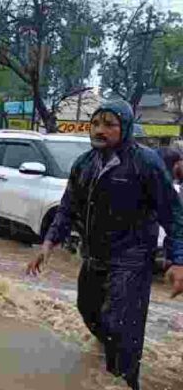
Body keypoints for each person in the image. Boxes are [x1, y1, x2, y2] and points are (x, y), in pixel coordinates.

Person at [26, 100, 183, 390]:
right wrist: (47, 244)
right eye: (95, 124)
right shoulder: (85, 163)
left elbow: (173, 214)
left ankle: (124, 378)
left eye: (109, 125)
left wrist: (177, 260)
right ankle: (108, 355)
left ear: (125, 129)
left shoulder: (145, 163)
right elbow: (67, 207)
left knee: (124, 329)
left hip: (132, 260)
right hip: (95, 256)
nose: (100, 131)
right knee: (88, 310)